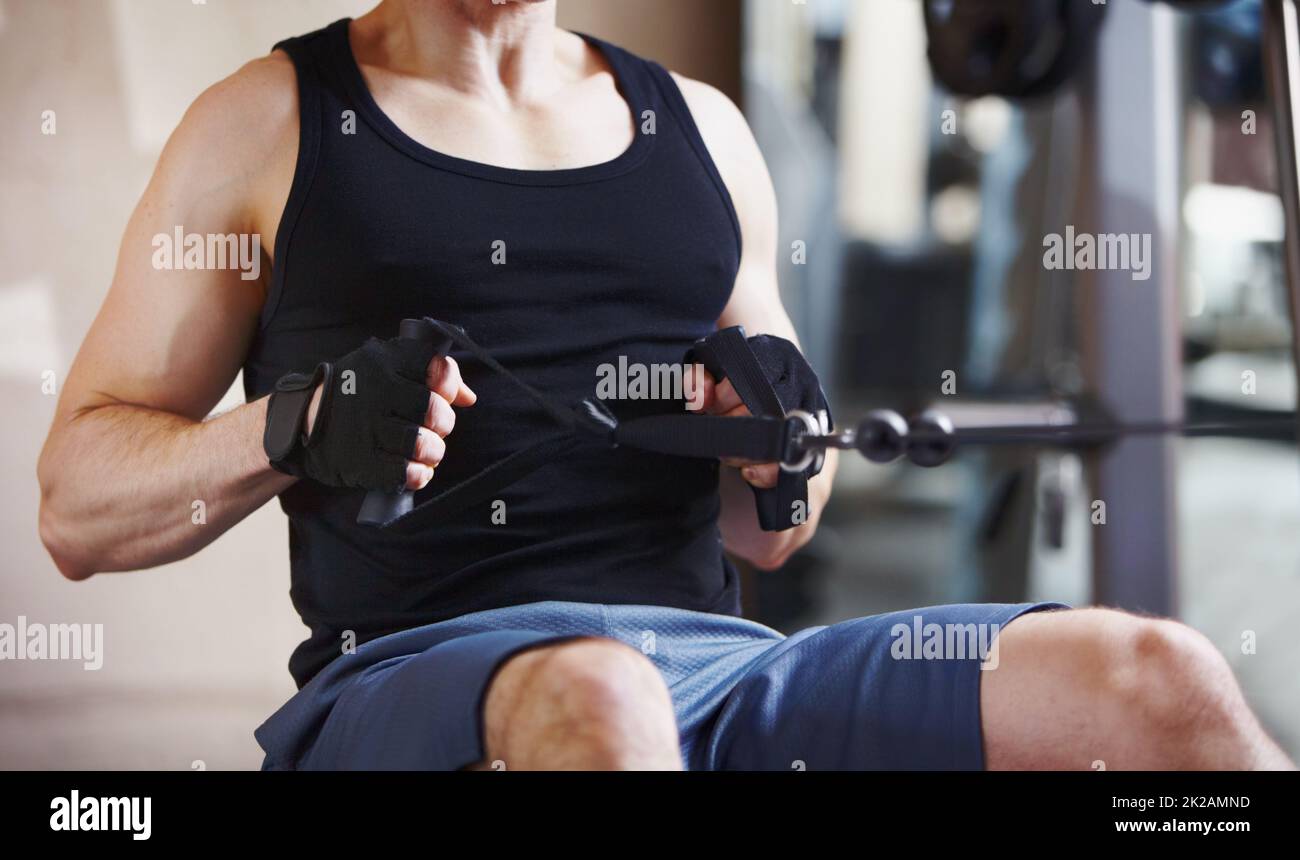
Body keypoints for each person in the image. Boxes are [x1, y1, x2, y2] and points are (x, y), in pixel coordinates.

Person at [37, 0, 1292, 771]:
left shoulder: (697, 128)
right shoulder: (269, 120)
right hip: (414, 682)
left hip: (722, 666)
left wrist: (777, 444)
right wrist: (295, 423)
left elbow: (777, 527)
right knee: (599, 687)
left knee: (1155, 681)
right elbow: (77, 508)